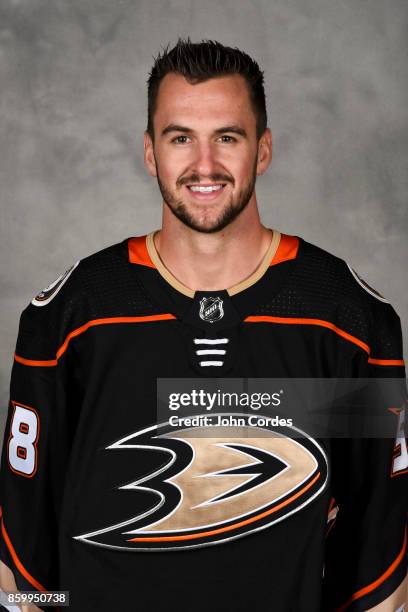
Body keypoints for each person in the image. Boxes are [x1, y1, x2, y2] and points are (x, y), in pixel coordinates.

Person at [0, 37, 406, 612]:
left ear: (263, 150)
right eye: (180, 138)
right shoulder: (73, 318)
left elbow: (379, 577)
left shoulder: (344, 320)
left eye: (228, 138)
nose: (205, 166)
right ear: (150, 153)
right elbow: (23, 572)